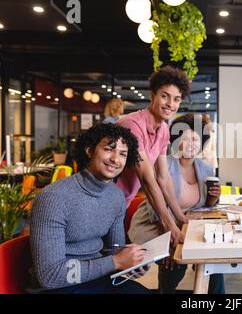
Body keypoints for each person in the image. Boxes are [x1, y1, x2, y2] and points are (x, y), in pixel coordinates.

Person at [29, 123, 151, 294]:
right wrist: (116, 262)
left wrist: (132, 264)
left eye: (123, 154)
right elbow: (50, 276)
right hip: (61, 287)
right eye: (109, 149)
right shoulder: (53, 198)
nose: (116, 159)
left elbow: (114, 250)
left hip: (100, 278)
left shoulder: (116, 197)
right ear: (90, 151)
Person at [128, 113, 225, 294]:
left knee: (213, 263)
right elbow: (155, 209)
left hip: (188, 226)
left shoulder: (205, 168)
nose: (191, 144)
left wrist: (213, 197)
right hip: (157, 225)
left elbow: (205, 206)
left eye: (195, 139)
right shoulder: (165, 165)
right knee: (174, 261)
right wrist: (170, 240)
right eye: (185, 138)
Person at [115, 66, 190, 247]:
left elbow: (163, 178)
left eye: (176, 99)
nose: (170, 104)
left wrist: (182, 218)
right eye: (165, 96)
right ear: (152, 96)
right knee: (106, 261)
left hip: (120, 204)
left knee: (113, 262)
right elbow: (148, 179)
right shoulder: (132, 124)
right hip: (99, 201)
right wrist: (169, 224)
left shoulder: (163, 129)